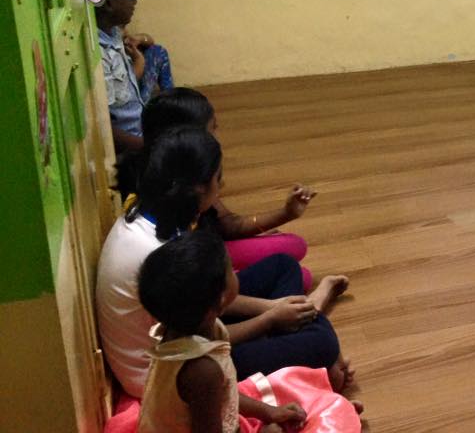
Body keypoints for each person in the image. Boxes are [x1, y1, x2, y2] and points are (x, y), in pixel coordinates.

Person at [96, 126, 352, 399]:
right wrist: (269, 319)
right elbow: (198, 340)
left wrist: (272, 309)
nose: (223, 187)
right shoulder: (165, 255)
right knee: (322, 341)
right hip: (172, 372)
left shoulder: (156, 208)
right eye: (219, 179)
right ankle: (309, 316)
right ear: (199, 188)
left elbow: (211, 301)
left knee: (283, 266)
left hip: (182, 330)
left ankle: (300, 321)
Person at [136, 231, 362, 433]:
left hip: (212, 412)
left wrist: (269, 412)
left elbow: (225, 394)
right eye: (231, 269)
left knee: (297, 404)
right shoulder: (202, 371)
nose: (237, 273)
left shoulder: (184, 329)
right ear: (221, 298)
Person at [117, 86, 316, 290]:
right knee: (298, 272)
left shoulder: (183, 172)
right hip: (190, 273)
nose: (217, 136)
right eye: (212, 129)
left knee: (294, 250)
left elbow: (226, 223)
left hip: (201, 254)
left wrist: (287, 213)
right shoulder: (178, 190)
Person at [95, 0, 174, 152]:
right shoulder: (99, 55)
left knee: (157, 52)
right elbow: (105, 127)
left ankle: (170, 104)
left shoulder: (114, 32)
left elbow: (125, 86)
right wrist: (147, 147)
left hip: (137, 113)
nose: (134, 1)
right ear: (110, 2)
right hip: (131, 140)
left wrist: (139, 43)